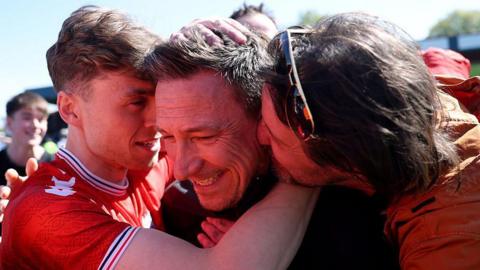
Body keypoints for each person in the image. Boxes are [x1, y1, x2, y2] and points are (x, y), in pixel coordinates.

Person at [0, 5, 317, 269]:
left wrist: (217, 39)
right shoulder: (46, 212)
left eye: (158, 99)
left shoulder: (146, 158)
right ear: (70, 109)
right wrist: (309, 163)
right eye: (137, 102)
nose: (158, 120)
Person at [146, 24, 397, 269]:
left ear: (265, 118)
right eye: (167, 136)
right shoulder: (177, 207)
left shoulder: (346, 207)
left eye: (204, 137)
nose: (181, 170)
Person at [258, 13, 480, 269]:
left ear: (347, 157)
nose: (260, 137)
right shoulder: (405, 113)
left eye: (274, 137)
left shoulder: (449, 242)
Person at [0, 91, 53, 236]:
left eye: (41, 119)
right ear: (9, 123)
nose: (35, 125)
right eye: (27, 117)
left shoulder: (58, 167)